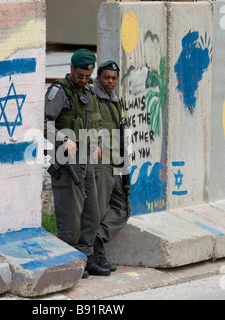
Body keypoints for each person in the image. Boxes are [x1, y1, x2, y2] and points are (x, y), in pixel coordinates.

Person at [44, 49, 111, 277]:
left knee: (92, 214)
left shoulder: (90, 93)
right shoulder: (58, 91)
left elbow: (97, 122)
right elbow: (45, 123)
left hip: (87, 162)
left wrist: (98, 144)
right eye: (80, 75)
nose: (83, 80)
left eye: (87, 76)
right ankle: (65, 261)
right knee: (70, 221)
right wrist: (63, 139)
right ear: (71, 69)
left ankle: (84, 258)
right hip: (67, 164)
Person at [92, 60, 130, 272]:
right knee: (97, 210)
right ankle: (96, 257)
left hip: (116, 161)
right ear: (98, 77)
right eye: (106, 77)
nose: (110, 82)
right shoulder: (92, 98)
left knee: (123, 207)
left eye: (114, 78)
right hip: (100, 163)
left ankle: (97, 239)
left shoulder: (115, 101)